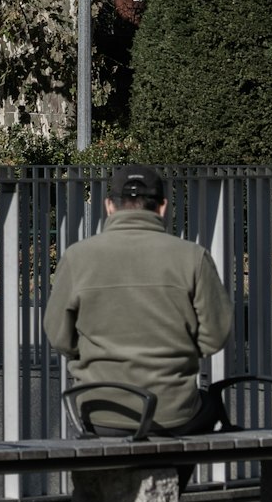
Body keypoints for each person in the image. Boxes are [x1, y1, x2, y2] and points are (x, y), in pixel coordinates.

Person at [44, 165, 233, 436]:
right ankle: (175, 479)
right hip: (171, 411)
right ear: (162, 207)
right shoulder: (193, 257)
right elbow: (216, 334)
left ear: (110, 206)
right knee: (211, 406)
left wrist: (90, 352)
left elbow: (59, 336)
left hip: (100, 410)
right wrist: (179, 350)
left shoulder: (77, 258)